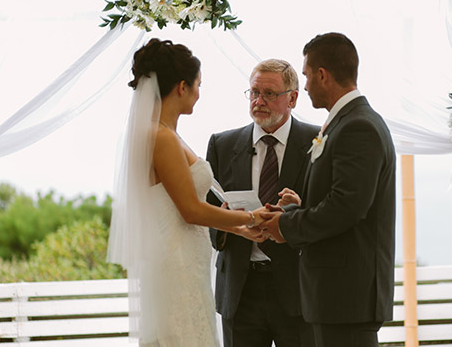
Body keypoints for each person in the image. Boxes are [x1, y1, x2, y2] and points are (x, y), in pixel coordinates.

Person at [107, 38, 266, 347]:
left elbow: (179, 205)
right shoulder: (161, 137)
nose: (198, 94)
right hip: (176, 263)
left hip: (184, 259)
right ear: (181, 87)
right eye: (198, 85)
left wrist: (242, 229)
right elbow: (190, 210)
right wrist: (250, 215)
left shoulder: (166, 134)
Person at [260, 32, 396, 347]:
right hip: (334, 296)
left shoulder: (357, 127)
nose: (305, 85)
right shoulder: (344, 122)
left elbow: (347, 207)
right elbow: (337, 198)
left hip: (347, 295)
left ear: (323, 75)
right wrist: (295, 208)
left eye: (306, 75)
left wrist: (286, 224)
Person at [207, 59, 320, 347]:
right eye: (254, 92)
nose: (259, 101)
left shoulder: (319, 141)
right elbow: (209, 219)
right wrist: (231, 224)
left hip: (299, 290)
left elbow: (328, 213)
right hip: (240, 291)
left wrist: (298, 210)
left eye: (269, 94)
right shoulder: (222, 145)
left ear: (292, 98)